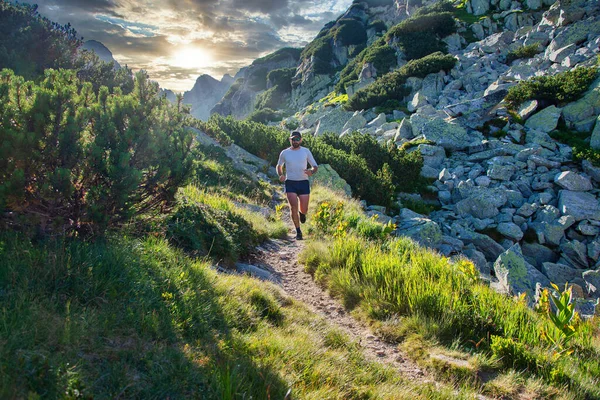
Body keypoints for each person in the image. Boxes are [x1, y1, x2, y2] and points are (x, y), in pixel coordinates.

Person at [276, 131, 318, 240]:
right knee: (293, 207)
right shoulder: (284, 153)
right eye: (293, 139)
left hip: (303, 182)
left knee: (304, 209)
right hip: (290, 183)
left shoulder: (306, 151)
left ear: (301, 140)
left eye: (297, 139)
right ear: (290, 140)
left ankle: (302, 214)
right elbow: (279, 166)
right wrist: (280, 175)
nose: (295, 141)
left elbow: (315, 166)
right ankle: (298, 231)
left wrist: (311, 171)